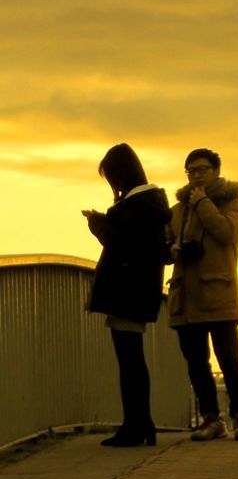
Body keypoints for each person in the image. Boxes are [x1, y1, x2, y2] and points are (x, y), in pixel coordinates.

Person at [83, 143, 171, 447]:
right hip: (139, 291)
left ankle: (135, 426)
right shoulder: (151, 204)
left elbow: (121, 245)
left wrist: (98, 225)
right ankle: (141, 424)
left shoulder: (135, 208)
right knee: (133, 360)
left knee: (130, 362)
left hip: (126, 293)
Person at [165, 148, 238, 441]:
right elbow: (163, 244)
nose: (196, 176)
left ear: (216, 170)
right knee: (196, 362)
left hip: (218, 293)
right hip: (186, 296)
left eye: (202, 169)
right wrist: (172, 250)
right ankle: (210, 418)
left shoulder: (234, 204)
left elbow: (225, 233)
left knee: (230, 358)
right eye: (191, 171)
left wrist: (203, 202)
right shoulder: (177, 210)